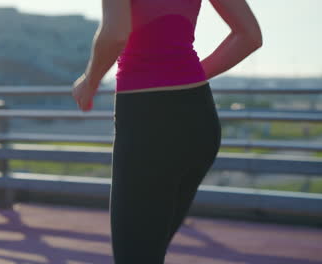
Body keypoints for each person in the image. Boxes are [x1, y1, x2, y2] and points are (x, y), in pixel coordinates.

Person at [72, 0, 262, 262]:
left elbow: (116, 34)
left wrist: (89, 81)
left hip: (148, 122)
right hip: (200, 119)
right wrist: (184, 76)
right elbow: (250, 36)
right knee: (148, 250)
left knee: (137, 255)